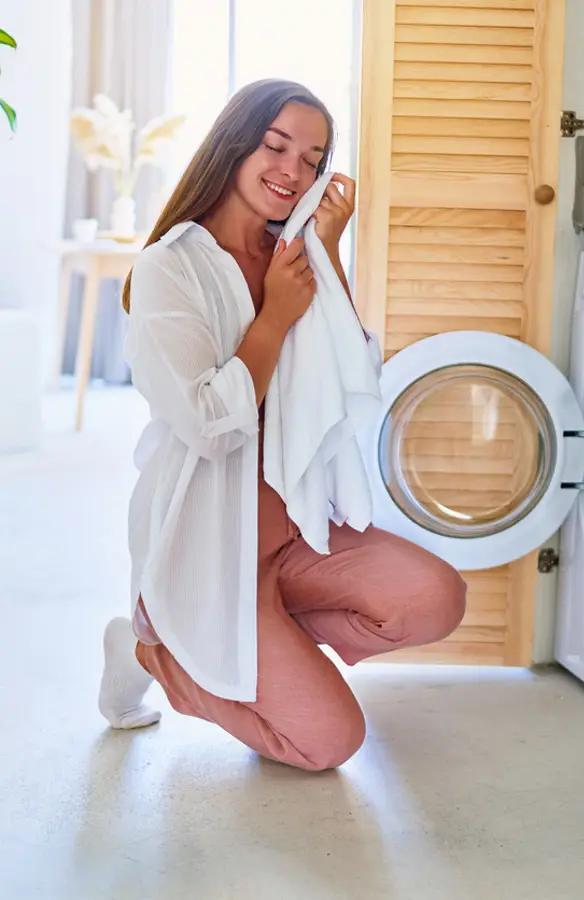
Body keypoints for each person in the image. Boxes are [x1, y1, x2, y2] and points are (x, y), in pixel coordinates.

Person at [97, 79, 467, 771]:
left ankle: (261, 639)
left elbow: (352, 372)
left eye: (313, 158)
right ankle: (149, 646)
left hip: (298, 535)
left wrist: (328, 251)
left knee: (435, 598)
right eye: (275, 146)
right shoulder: (168, 268)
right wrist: (272, 319)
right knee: (328, 743)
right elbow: (209, 426)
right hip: (212, 548)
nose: (292, 170)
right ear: (234, 146)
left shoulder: (294, 255)